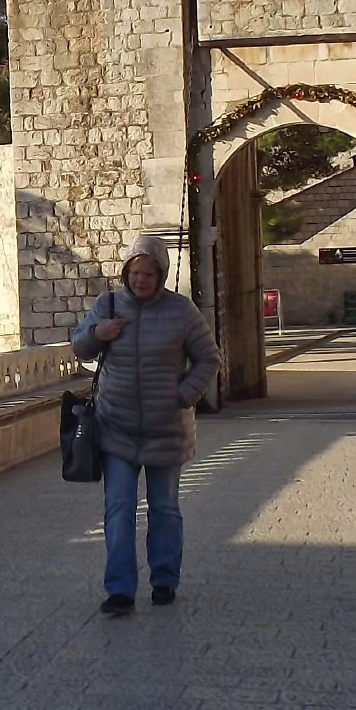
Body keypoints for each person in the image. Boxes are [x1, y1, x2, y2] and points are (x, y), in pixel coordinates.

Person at [70, 233, 220, 615]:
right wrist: (96, 334)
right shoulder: (107, 305)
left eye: (149, 274)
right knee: (118, 508)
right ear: (126, 272)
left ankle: (165, 580)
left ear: (162, 275)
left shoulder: (182, 312)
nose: (141, 280)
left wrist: (184, 395)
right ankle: (119, 589)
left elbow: (208, 358)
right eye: (136, 272)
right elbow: (79, 347)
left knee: (164, 507)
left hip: (166, 428)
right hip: (115, 426)